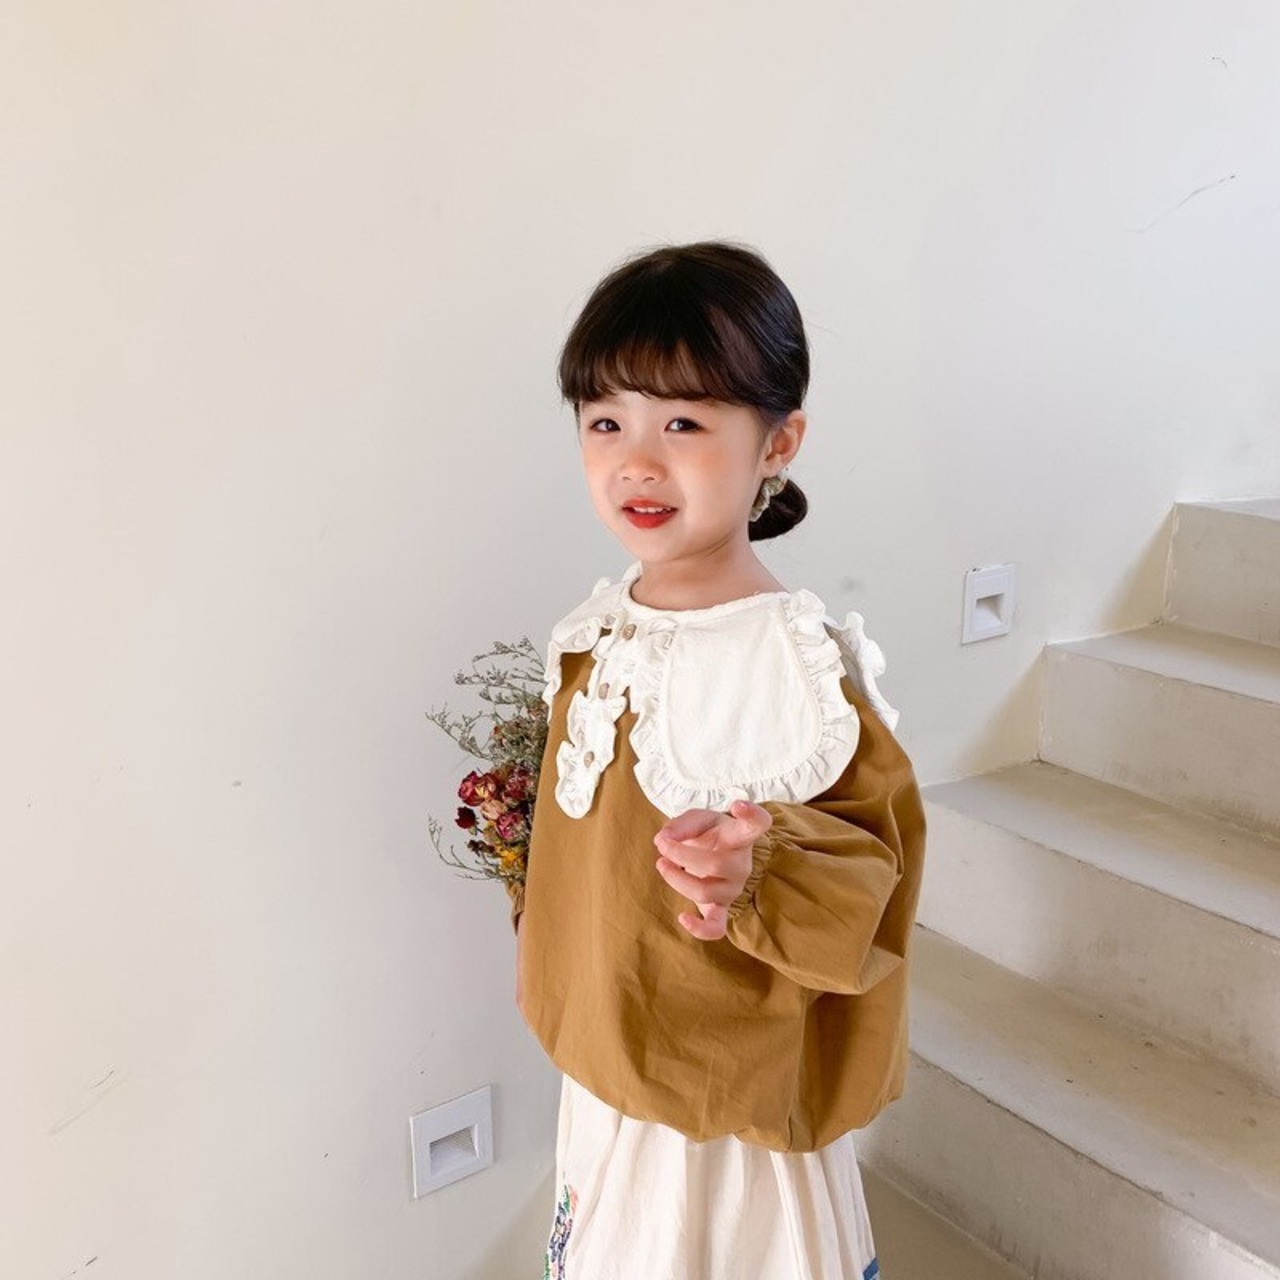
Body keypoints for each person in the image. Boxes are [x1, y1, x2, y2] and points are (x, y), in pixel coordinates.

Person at [508, 239, 927, 1280]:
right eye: (605, 421)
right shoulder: (598, 626)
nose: (636, 462)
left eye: (684, 423)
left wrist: (760, 869)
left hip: (718, 1102)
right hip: (611, 1060)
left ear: (777, 441)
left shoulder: (788, 662)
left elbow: (873, 867)